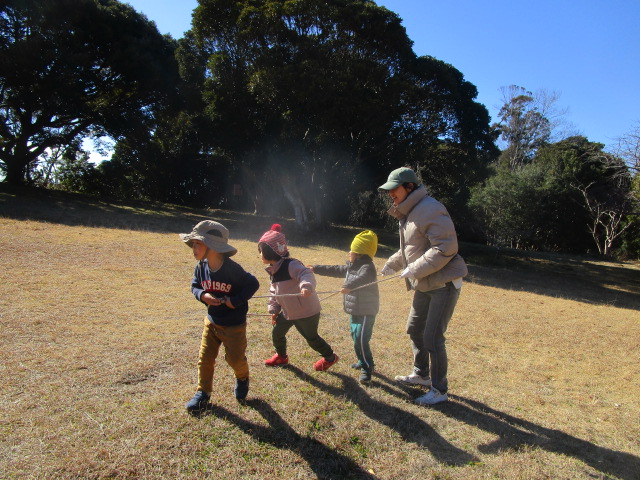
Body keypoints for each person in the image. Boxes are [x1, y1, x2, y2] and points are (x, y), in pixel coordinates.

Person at [379, 167, 467, 405]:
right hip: (425, 282)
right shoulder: (410, 212)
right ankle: (422, 374)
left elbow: (445, 248)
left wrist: (414, 269)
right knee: (414, 329)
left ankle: (439, 390)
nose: (391, 195)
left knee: (432, 337)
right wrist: (392, 264)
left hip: (444, 282)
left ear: (409, 187)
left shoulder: (431, 208)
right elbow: (410, 249)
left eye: (394, 189)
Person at [179, 220, 260, 413]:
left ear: (213, 247)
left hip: (234, 326)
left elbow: (253, 284)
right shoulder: (201, 267)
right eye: (193, 244)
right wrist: (203, 295)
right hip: (212, 322)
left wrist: (235, 301)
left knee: (235, 360)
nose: (193, 248)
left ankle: (242, 377)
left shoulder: (232, 270)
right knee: (205, 359)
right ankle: (203, 393)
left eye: (198, 243)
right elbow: (195, 286)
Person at [258, 224, 339, 371]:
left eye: (261, 251)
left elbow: (306, 273)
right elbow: (274, 292)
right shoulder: (273, 269)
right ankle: (281, 357)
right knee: (277, 333)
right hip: (289, 313)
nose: (259, 255)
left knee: (312, 338)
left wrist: (306, 286)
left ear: (271, 252)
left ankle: (330, 357)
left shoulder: (291, 265)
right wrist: (274, 310)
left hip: (306, 312)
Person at [310, 230, 380, 383]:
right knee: (356, 338)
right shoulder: (352, 266)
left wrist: (348, 285)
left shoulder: (367, 267)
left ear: (360, 253)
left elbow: (363, 278)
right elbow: (336, 269)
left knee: (361, 340)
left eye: (353, 250)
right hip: (355, 309)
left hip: (366, 311)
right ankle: (362, 361)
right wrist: (316, 268)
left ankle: (367, 368)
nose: (349, 252)